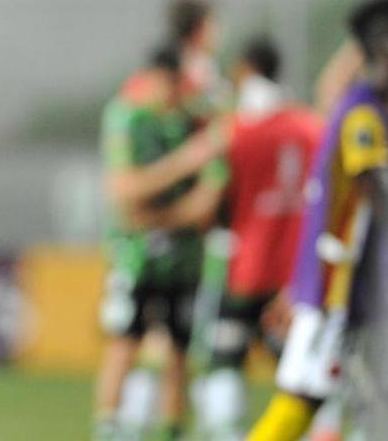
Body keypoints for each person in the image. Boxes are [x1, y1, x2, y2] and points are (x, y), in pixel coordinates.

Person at [122, 37, 324, 440]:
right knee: (309, 374)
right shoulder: (311, 126)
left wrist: (154, 214)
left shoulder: (234, 130)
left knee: (221, 363)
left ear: (246, 68)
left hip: (242, 267)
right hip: (295, 275)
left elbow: (205, 202)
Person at [246, 0, 388, 440]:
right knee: (301, 402)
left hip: (351, 295)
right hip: (342, 298)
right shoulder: (363, 118)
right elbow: (376, 193)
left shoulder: (366, 110)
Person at [94, 45, 225, 441]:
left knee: (180, 351)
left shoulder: (195, 122)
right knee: (125, 343)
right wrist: (183, 164)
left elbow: (207, 202)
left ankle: (171, 430)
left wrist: (156, 217)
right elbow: (125, 193)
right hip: (135, 259)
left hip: (185, 259)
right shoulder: (127, 119)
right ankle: (110, 430)